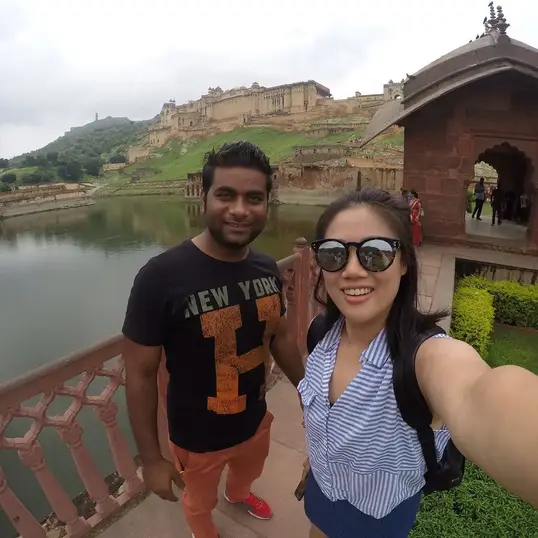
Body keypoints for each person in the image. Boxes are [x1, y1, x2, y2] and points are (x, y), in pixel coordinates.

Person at [299, 188, 538, 538]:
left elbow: (480, 395)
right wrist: (317, 456)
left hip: (378, 517)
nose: (351, 270)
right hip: (321, 493)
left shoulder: (424, 358)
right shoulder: (320, 333)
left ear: (404, 262)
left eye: (375, 253)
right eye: (334, 254)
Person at [122, 141, 305, 538]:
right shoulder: (160, 277)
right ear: (203, 197)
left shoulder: (266, 268)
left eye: (253, 198)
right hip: (197, 437)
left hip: (255, 419)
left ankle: (238, 495)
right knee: (198, 499)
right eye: (225, 195)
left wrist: (311, 397)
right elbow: (139, 373)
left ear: (267, 203)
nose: (240, 209)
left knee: (249, 471)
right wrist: (151, 459)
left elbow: (281, 337)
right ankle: (202, 529)